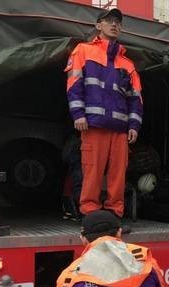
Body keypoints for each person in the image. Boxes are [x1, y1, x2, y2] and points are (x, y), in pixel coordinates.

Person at [66, 8, 143, 222]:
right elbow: (74, 85)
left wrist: (134, 126)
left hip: (119, 129)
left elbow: (136, 99)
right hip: (93, 125)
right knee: (92, 172)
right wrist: (78, 114)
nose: (114, 25)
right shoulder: (82, 51)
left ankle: (113, 216)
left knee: (118, 175)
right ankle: (90, 215)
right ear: (98, 25)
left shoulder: (128, 64)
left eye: (118, 22)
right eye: (109, 21)